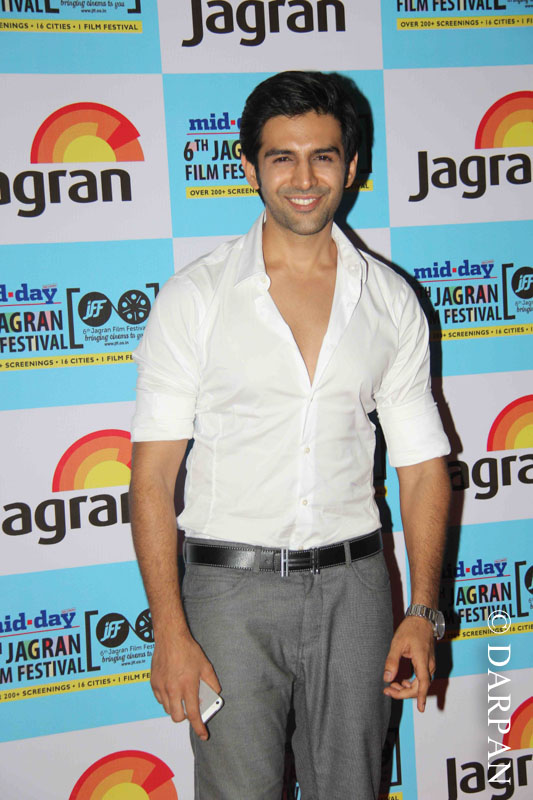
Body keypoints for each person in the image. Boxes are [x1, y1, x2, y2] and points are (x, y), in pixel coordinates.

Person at [129, 70, 451, 800]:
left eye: (323, 156)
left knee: (354, 788)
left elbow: (423, 468)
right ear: (249, 167)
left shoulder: (391, 301)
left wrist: (422, 611)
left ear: (352, 165)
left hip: (356, 589)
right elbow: (151, 479)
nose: (304, 179)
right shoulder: (196, 298)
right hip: (228, 596)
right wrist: (169, 630)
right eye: (282, 157)